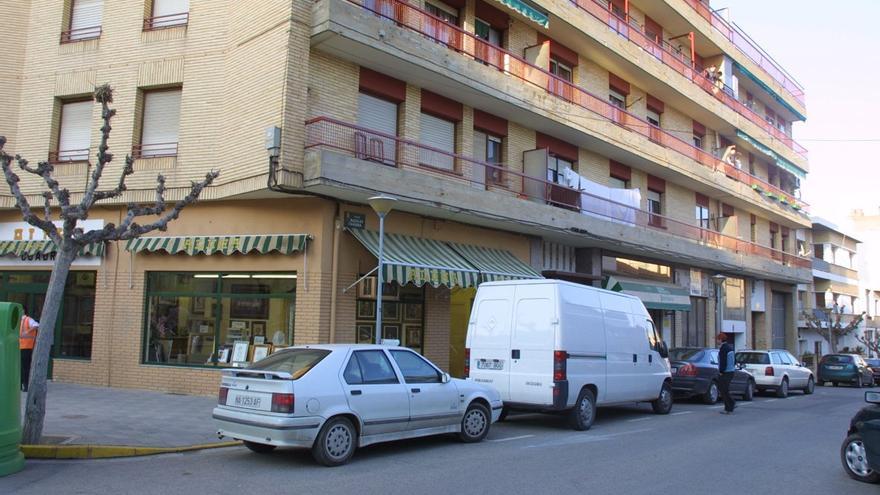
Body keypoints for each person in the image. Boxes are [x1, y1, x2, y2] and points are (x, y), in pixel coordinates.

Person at [19, 307, 40, 392]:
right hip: (19, 347)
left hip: (27, 347)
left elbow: (37, 325)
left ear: (24, 310)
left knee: (25, 367)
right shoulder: (19, 320)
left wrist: (27, 332)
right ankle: (20, 384)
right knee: (21, 367)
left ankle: (26, 385)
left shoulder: (28, 319)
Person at [716, 333, 736, 414]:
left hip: (725, 372)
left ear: (721, 340)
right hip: (731, 371)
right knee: (725, 390)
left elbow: (723, 362)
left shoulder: (723, 349)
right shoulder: (730, 348)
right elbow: (735, 360)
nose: (717, 341)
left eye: (717, 339)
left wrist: (721, 371)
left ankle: (729, 408)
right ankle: (730, 404)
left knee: (723, 390)